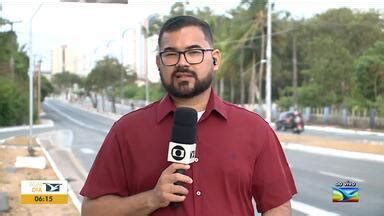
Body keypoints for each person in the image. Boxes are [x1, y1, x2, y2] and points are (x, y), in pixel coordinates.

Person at [80, 15, 297, 216]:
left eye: (194, 52)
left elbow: (277, 205)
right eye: (171, 54)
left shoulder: (254, 129)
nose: (182, 62)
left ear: (215, 60)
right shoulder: (127, 130)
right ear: (158, 62)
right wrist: (152, 199)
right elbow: (91, 211)